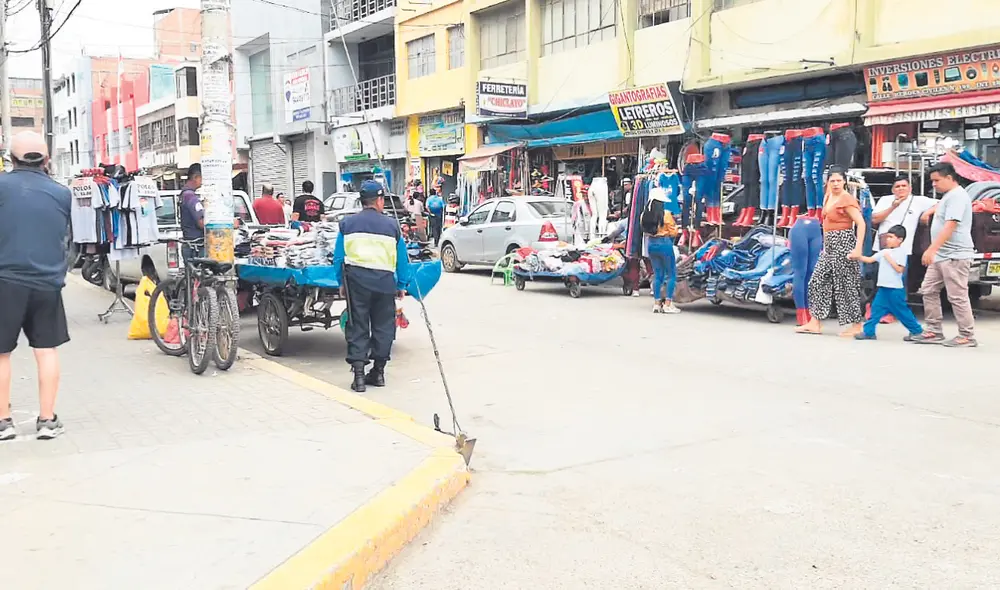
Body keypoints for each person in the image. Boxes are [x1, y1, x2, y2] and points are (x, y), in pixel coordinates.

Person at [0, 131, 72, 441]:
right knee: (46, 351)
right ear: (46, 160)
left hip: (5, 282)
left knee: (1, 353)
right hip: (47, 283)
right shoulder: (61, 192)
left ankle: (3, 422)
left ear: (10, 159)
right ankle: (47, 420)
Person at [331, 180, 412, 393]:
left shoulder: (347, 224)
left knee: (358, 324)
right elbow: (402, 260)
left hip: (356, 281)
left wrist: (341, 282)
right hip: (385, 283)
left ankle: (358, 377)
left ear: (361, 201)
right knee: (384, 326)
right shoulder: (392, 225)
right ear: (379, 200)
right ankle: (379, 372)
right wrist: (402, 284)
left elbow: (338, 257)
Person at [912, 162, 977, 347]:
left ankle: (967, 335)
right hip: (942, 254)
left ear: (949, 178)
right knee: (928, 289)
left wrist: (932, 248)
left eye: (936, 181)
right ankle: (933, 330)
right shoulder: (949, 196)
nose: (934, 184)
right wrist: (929, 211)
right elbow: (941, 208)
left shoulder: (957, 196)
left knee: (957, 296)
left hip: (955, 255)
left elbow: (951, 224)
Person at [797, 168, 866, 336]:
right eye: (832, 181)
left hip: (844, 242)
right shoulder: (828, 196)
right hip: (830, 244)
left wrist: (858, 248)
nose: (835, 184)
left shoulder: (847, 200)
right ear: (828, 182)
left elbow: (861, 223)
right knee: (817, 281)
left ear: (844, 182)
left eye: (838, 181)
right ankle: (815, 322)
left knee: (846, 285)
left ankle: (857, 325)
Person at [851, 225, 923, 341]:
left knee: (902, 312)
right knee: (875, 310)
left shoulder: (901, 252)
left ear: (900, 239)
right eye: (887, 237)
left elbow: (900, 269)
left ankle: (917, 331)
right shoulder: (884, 252)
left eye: (891, 237)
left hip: (895, 289)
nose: (888, 239)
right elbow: (870, 260)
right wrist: (857, 257)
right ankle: (869, 332)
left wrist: (889, 259)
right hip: (883, 288)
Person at [640, 188, 680, 314]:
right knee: (671, 274)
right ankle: (668, 303)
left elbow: (644, 231)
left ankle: (657, 303)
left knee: (658, 275)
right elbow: (673, 231)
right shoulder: (666, 214)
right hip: (664, 243)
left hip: (651, 244)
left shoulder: (644, 215)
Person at [178, 163, 205, 260]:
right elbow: (201, 223)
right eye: (202, 178)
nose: (202, 182)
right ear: (196, 177)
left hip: (189, 244)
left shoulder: (183, 194)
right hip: (196, 246)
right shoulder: (190, 196)